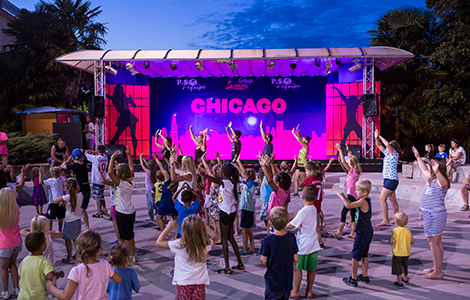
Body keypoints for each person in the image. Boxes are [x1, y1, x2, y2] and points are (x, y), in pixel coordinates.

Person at [47, 230, 122, 300]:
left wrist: (51, 287)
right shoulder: (105, 265)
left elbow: (65, 296)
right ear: (99, 249)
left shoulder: (76, 271)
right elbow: (118, 279)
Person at [156, 216, 218, 300]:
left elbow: (159, 242)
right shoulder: (203, 244)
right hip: (199, 283)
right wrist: (207, 227)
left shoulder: (179, 244)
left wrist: (168, 227)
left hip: (183, 283)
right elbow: (216, 238)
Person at [412, 147, 449, 279]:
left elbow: (444, 183)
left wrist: (438, 169)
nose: (431, 166)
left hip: (435, 215)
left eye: (433, 165)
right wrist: (417, 156)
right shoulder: (432, 178)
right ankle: (436, 266)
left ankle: (438, 272)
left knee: (434, 242)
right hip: (430, 214)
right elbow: (423, 169)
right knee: (435, 241)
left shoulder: (441, 180)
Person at [204, 164, 244, 275]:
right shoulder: (232, 182)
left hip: (225, 213)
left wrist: (205, 175)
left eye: (221, 170)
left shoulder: (226, 182)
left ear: (225, 173)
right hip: (231, 212)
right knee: (231, 238)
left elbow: (215, 180)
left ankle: (227, 267)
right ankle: (240, 263)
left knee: (225, 240)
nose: (219, 171)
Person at [286, 185, 321, 299]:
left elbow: (292, 225)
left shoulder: (303, 211)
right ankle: (309, 291)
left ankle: (295, 291)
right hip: (314, 243)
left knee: (297, 268)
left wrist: (280, 226)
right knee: (311, 269)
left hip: (302, 244)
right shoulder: (314, 208)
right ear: (315, 197)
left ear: (302, 197)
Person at [338, 179, 373, 287]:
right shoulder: (367, 200)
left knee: (355, 255)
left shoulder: (363, 201)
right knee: (364, 255)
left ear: (365, 192)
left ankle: (353, 278)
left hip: (362, 232)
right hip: (367, 231)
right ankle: (364, 275)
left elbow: (348, 206)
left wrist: (343, 197)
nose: (356, 192)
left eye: (358, 190)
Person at [260, 206, 299, 300]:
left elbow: (263, 260)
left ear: (270, 223)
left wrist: (267, 264)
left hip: (273, 280)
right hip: (287, 279)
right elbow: (296, 258)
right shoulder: (291, 237)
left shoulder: (268, 240)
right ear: (286, 222)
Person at [108, 147, 137, 263]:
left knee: (125, 238)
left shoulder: (121, 184)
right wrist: (129, 155)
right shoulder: (131, 181)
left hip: (122, 212)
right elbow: (132, 167)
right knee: (131, 235)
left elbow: (110, 173)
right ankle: (133, 255)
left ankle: (127, 257)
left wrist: (112, 158)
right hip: (131, 211)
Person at [18, 231, 64, 300]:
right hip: (38, 296)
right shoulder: (44, 262)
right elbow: (51, 277)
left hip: (23, 296)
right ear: (43, 246)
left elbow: (20, 276)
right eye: (45, 241)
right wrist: (59, 274)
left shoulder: (24, 260)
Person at [329, 144, 361, 240]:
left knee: (344, 213)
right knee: (352, 214)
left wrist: (340, 150)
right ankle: (352, 233)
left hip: (351, 195)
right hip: (354, 195)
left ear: (351, 164)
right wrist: (348, 151)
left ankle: (339, 232)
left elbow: (343, 161)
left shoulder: (352, 171)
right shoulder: (356, 171)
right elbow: (349, 160)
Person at [53, 178, 83, 264]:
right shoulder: (80, 195)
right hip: (77, 220)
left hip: (69, 221)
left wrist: (63, 200)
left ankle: (69, 257)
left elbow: (55, 201)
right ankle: (78, 254)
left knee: (67, 239)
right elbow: (73, 201)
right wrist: (65, 202)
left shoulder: (67, 197)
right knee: (75, 238)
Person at [375, 130, 400, 226]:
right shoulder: (387, 154)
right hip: (389, 179)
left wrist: (380, 136)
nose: (387, 146)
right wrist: (376, 138)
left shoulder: (394, 153)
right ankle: (397, 219)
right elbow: (379, 145)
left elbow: (385, 144)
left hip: (391, 179)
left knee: (382, 199)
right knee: (393, 200)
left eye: (389, 145)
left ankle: (385, 220)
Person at [0, 188, 22, 299]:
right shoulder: (16, 208)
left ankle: (5, 292)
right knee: (13, 264)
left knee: (3, 268)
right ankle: (15, 289)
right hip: (17, 242)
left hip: (4, 244)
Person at [234, 157, 258, 256]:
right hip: (249, 209)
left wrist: (239, 161)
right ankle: (252, 249)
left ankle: (244, 250)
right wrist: (235, 163)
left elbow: (243, 172)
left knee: (244, 231)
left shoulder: (250, 184)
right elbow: (241, 172)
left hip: (246, 210)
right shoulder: (249, 184)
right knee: (248, 231)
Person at [61, 149, 90, 230]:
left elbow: (62, 166)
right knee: (83, 210)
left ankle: (74, 226)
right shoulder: (84, 165)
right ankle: (87, 228)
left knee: (73, 209)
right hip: (86, 188)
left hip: (77, 189)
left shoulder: (74, 166)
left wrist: (68, 159)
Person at [299, 161, 325, 248]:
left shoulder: (309, 179)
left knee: (305, 224)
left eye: (306, 171)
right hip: (317, 205)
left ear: (311, 171)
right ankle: (320, 242)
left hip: (310, 204)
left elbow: (300, 188)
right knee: (317, 225)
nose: (306, 173)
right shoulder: (319, 179)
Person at [108, 85, 139, 156]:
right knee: (117, 134)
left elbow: (134, 105)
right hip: (124, 116)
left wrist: (130, 100)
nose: (120, 92)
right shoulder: (115, 98)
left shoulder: (124, 98)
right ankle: (111, 149)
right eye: (118, 91)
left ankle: (134, 152)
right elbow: (109, 97)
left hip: (129, 116)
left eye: (120, 91)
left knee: (133, 135)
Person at [153, 152, 179, 236]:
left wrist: (157, 158)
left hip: (165, 199)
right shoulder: (178, 176)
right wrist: (166, 158)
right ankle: (176, 235)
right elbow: (172, 167)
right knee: (175, 218)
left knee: (159, 217)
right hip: (174, 199)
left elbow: (160, 166)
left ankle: (164, 235)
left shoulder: (167, 176)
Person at [389, 212, 415, 288]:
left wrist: (390, 241)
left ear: (396, 222)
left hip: (397, 253)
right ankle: (406, 279)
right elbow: (412, 241)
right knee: (405, 266)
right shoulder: (408, 231)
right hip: (406, 252)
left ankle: (400, 282)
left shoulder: (395, 231)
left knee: (398, 268)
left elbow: (391, 241)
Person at [200, 154, 222, 241]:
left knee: (217, 223)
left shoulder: (214, 179)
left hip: (215, 204)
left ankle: (219, 238)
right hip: (215, 203)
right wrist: (218, 158)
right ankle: (217, 237)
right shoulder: (220, 179)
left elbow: (207, 169)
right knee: (216, 222)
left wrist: (203, 159)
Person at [98, 168, 121, 244]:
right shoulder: (122, 181)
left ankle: (119, 240)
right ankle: (122, 240)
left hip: (116, 206)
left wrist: (99, 171)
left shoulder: (113, 183)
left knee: (116, 224)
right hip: (120, 205)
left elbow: (103, 181)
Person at [85, 145, 109, 218]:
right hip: (103, 179)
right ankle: (104, 209)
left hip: (97, 180)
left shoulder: (95, 158)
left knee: (97, 197)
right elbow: (100, 153)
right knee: (101, 195)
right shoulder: (105, 157)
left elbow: (86, 154)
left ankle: (99, 212)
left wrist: (87, 152)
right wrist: (92, 151)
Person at [41, 167, 65, 232]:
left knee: (49, 217)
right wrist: (45, 174)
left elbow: (41, 182)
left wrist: (41, 174)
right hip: (61, 199)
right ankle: (60, 230)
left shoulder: (51, 181)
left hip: (53, 201)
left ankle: (50, 230)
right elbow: (53, 177)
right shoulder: (60, 179)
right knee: (60, 217)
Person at [291, 126, 311, 197]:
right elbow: (300, 138)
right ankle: (296, 192)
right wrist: (297, 131)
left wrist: (293, 133)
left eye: (304, 140)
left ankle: (306, 193)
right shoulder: (304, 146)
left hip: (303, 165)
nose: (302, 140)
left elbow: (299, 140)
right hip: (298, 165)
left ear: (306, 141)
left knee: (303, 181)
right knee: (295, 179)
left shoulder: (306, 147)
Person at [140, 153, 157, 221]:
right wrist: (144, 160)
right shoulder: (153, 171)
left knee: (150, 204)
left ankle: (151, 216)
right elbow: (146, 164)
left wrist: (141, 158)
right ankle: (156, 214)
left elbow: (142, 165)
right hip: (153, 190)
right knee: (153, 203)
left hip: (149, 190)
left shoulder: (148, 171)